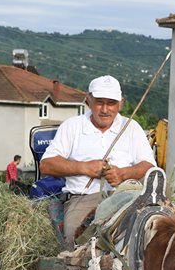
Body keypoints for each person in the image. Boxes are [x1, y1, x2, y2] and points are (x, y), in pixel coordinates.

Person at [40, 75, 156, 248]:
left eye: (111, 103)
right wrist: (84, 167)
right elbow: (46, 165)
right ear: (88, 100)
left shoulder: (131, 127)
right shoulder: (73, 126)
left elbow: (149, 167)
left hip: (126, 197)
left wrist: (123, 174)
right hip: (83, 199)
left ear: (121, 103)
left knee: (148, 238)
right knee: (76, 239)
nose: (104, 109)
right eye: (99, 102)